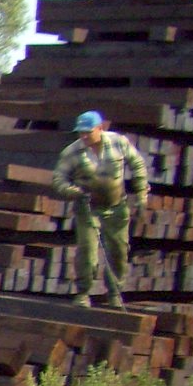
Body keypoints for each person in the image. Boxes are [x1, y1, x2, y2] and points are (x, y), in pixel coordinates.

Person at [50, 110, 149, 308]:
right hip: (87, 208)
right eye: (81, 132)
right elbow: (58, 179)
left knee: (119, 251)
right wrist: (72, 191)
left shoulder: (118, 142)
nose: (84, 136)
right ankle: (83, 293)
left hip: (116, 207)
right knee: (87, 251)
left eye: (88, 132)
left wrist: (141, 193)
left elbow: (137, 164)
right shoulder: (72, 152)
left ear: (100, 128)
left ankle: (114, 293)